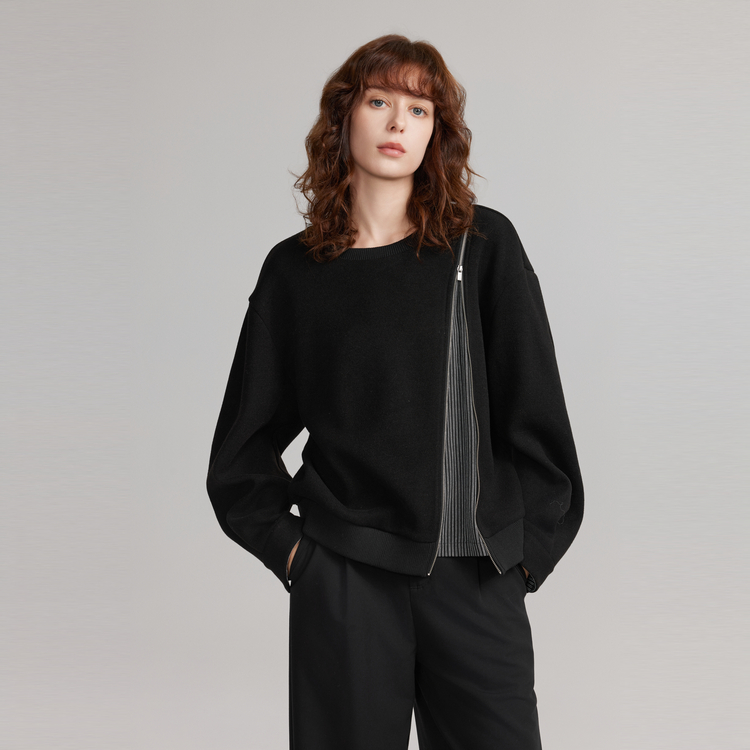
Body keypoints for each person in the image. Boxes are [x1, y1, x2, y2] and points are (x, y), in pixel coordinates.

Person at [206, 33, 584, 750]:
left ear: (436, 131)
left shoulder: (483, 246)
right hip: (345, 583)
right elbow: (240, 454)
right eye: (379, 101)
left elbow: (538, 415)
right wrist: (301, 560)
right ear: (345, 116)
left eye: (418, 109)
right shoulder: (296, 272)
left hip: (476, 579)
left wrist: (525, 557)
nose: (397, 123)